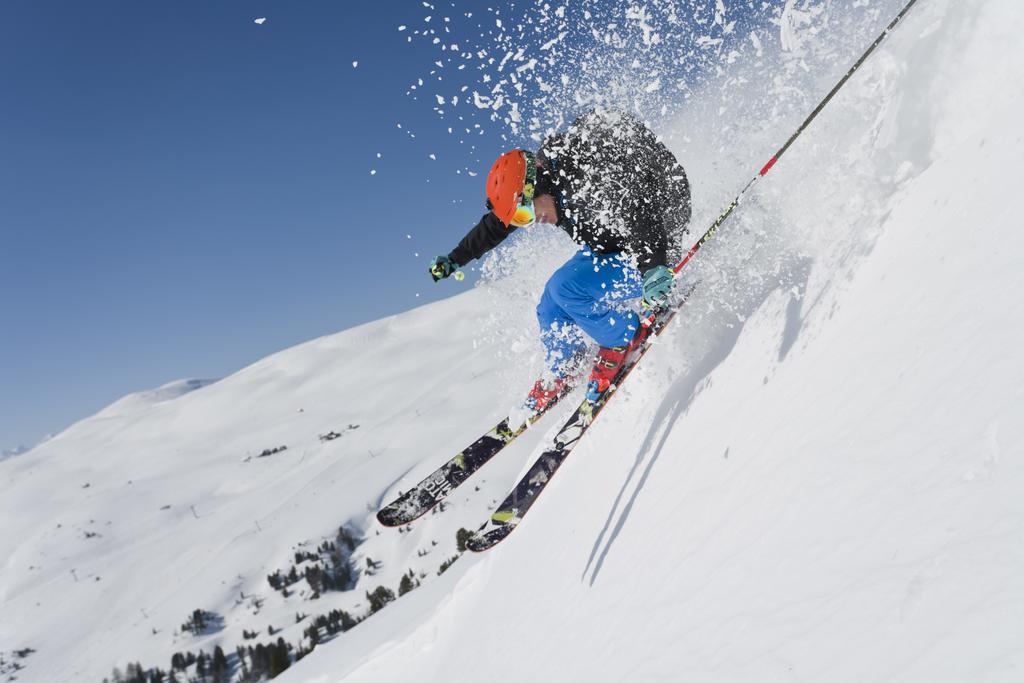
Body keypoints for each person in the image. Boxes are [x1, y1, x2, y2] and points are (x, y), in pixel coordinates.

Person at [429, 108, 691, 410]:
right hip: (616, 245)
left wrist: (654, 264)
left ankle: (624, 336)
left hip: (655, 242)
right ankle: (568, 365)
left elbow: (639, 209)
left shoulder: (589, 183)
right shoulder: (545, 182)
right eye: (520, 219)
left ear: (539, 186)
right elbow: (495, 225)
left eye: (526, 213)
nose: (530, 222)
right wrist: (455, 258)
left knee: (566, 287)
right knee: (550, 301)